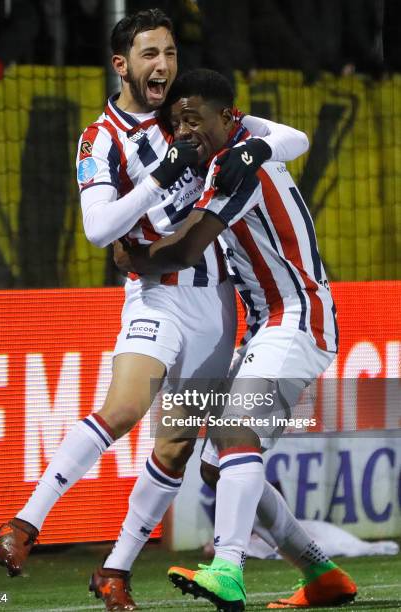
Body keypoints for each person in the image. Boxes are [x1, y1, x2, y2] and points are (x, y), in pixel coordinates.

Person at [0, 9, 310, 611]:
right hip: (157, 294)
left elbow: (294, 139)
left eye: (168, 52)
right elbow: (97, 229)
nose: (162, 64)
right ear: (122, 65)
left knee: (175, 444)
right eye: (148, 55)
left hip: (218, 305)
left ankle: (115, 571)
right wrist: (159, 177)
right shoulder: (100, 137)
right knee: (126, 404)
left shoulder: (189, 115)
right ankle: (25, 523)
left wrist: (250, 151)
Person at [114, 68, 357, 611]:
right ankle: (321, 574)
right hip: (269, 319)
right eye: (177, 122)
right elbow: (289, 138)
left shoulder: (236, 167)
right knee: (213, 462)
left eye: (194, 119)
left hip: (297, 315)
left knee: (232, 430)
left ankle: (228, 567)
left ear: (228, 119)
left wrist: (126, 253)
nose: (184, 132)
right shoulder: (237, 151)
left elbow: (185, 251)